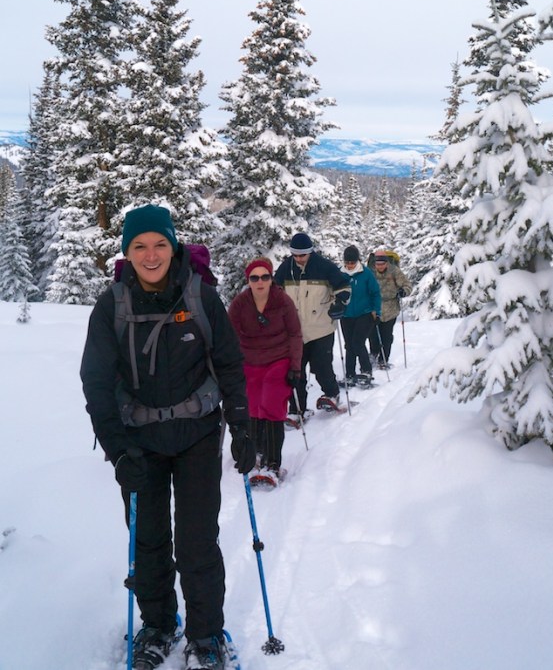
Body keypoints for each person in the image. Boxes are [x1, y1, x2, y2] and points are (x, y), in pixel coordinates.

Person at [80, 205, 256, 670]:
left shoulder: (201, 297)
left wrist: (241, 424)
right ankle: (158, 625)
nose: (151, 254)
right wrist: (118, 450)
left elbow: (230, 363)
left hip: (197, 435)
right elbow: (96, 383)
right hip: (138, 443)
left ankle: (205, 635)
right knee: (148, 542)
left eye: (160, 243)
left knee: (197, 541)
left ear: (174, 245)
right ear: (127, 252)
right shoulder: (111, 305)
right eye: (139, 245)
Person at [228, 257, 303, 486]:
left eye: (265, 277)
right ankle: (255, 453)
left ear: (271, 279)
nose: (260, 282)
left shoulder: (283, 301)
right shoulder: (240, 304)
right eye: (254, 277)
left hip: (278, 359)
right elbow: (230, 337)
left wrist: (295, 367)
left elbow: (295, 334)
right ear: (248, 280)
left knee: (271, 403)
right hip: (249, 360)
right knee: (252, 405)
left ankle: (272, 464)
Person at [274, 232, 351, 419]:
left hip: (321, 328)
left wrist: (339, 303)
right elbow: (275, 293)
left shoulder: (324, 267)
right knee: (295, 371)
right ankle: (297, 408)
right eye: (296, 255)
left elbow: (344, 287)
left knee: (322, 367)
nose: (299, 259)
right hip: (294, 332)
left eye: (303, 255)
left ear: (310, 252)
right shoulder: (286, 268)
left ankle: (332, 394)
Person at [340, 245, 381, 389]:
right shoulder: (340, 274)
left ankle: (366, 371)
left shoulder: (366, 273)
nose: (350, 265)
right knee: (349, 345)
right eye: (348, 262)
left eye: (353, 262)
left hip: (365, 313)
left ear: (357, 260)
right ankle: (350, 374)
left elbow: (375, 293)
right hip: (346, 315)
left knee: (358, 342)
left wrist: (377, 310)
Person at [368, 249, 413, 368]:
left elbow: (407, 285)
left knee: (386, 336)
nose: (380, 266)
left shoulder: (395, 271)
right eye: (378, 264)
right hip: (373, 309)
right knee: (372, 335)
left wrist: (403, 291)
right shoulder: (370, 272)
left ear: (387, 263)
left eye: (382, 264)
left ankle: (383, 360)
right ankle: (373, 354)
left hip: (391, 309)